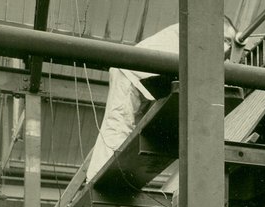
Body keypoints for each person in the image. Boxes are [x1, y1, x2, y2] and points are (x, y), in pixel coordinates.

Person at [86, 19, 238, 181]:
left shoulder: (194, 36)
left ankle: (108, 172)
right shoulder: (201, 30)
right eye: (227, 40)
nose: (227, 46)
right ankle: (99, 175)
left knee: (126, 127)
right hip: (130, 72)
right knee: (118, 123)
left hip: (144, 79)